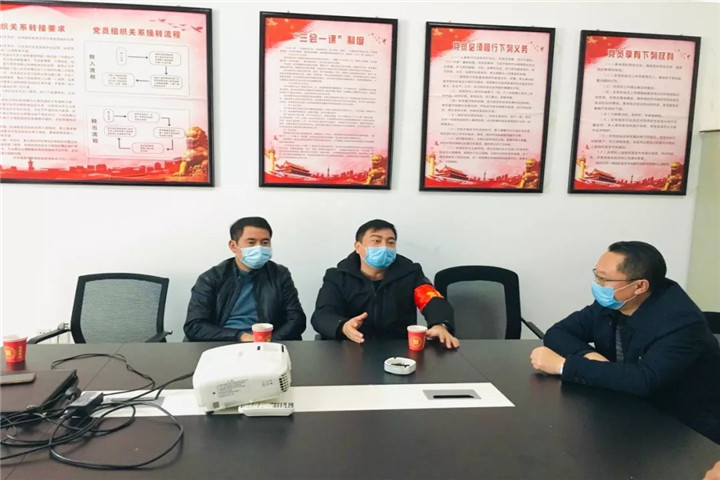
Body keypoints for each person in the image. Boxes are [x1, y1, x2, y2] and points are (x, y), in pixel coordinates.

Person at [530, 241, 720, 444]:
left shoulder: (681, 322)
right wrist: (589, 356)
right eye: (596, 275)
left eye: (604, 279)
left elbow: (644, 380)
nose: (597, 285)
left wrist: (564, 366)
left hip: (683, 429)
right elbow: (558, 332)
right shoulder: (614, 302)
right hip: (626, 407)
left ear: (639, 286)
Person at [311, 219, 459, 348]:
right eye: (376, 241)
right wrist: (343, 327)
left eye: (391, 242)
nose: (384, 247)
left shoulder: (410, 273)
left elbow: (432, 300)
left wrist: (440, 324)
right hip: (350, 349)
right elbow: (322, 315)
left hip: (398, 350)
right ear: (358, 247)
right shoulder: (337, 276)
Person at [184, 217, 305, 342]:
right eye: (251, 242)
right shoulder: (211, 278)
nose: (259, 248)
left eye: (265, 242)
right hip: (225, 342)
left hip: (269, 342)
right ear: (233, 246)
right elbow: (195, 326)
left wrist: (268, 341)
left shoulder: (279, 274)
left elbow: (296, 319)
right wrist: (240, 336)